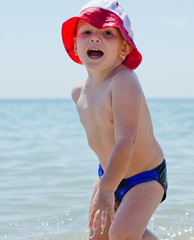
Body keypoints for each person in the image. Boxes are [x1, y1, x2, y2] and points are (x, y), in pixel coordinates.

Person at [61, 0, 168, 239]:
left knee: (121, 235)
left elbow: (125, 141)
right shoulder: (78, 93)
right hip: (108, 174)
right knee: (99, 236)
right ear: (75, 45)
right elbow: (100, 140)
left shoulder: (124, 81)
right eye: (86, 32)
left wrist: (107, 189)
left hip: (145, 177)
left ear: (124, 49)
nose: (95, 38)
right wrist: (106, 184)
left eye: (107, 33)